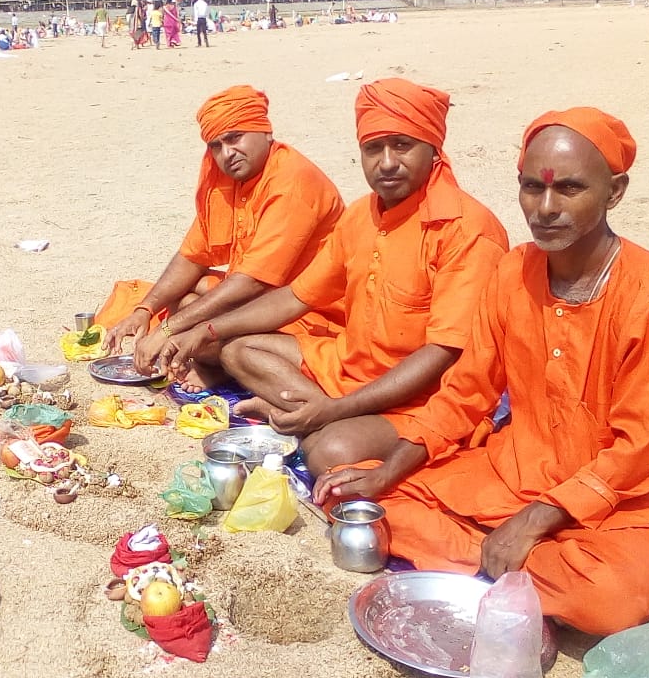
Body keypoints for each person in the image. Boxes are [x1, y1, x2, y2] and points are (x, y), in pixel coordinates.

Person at [312, 108, 649, 636]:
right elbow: (465, 395)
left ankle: (496, 553)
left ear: (615, 191)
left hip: (630, 496)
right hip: (519, 469)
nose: (544, 208)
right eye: (530, 188)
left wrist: (536, 520)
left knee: (611, 602)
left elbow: (641, 450)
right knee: (366, 501)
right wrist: (384, 474)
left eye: (569, 189)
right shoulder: (512, 272)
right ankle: (503, 556)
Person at [166, 79, 507, 473]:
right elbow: (296, 297)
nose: (387, 162)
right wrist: (206, 331)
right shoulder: (361, 216)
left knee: (327, 452)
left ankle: (323, 417)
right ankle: (316, 412)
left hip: (425, 396)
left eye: (402, 145)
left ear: (433, 150)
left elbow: (444, 353)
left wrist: (335, 410)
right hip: (349, 365)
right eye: (373, 149)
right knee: (235, 350)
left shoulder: (467, 231)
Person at [103, 85, 345, 391]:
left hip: (313, 314)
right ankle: (218, 364)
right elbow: (192, 256)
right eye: (216, 145)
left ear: (266, 132)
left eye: (234, 138)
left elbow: (253, 282)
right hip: (262, 298)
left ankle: (225, 367)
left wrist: (166, 329)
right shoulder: (227, 180)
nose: (227, 153)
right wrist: (144, 310)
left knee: (196, 330)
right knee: (183, 299)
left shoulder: (293, 182)